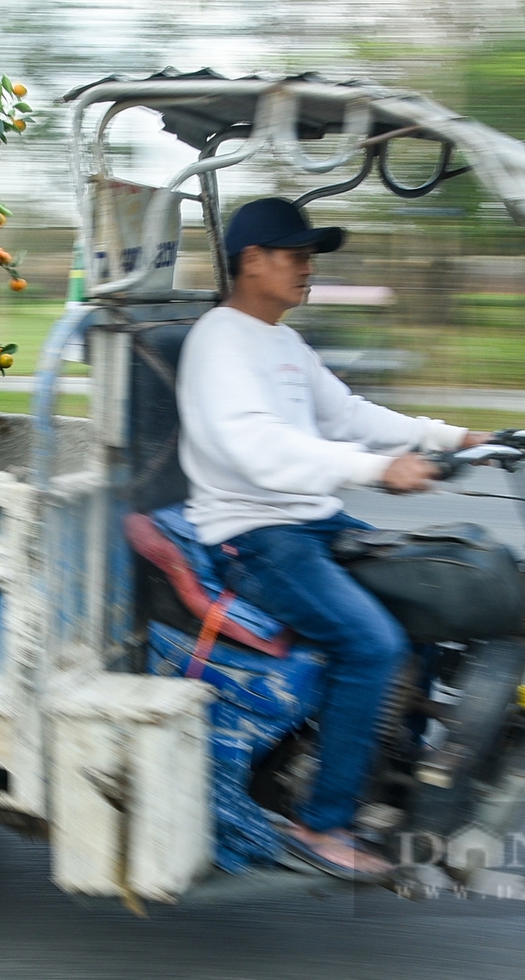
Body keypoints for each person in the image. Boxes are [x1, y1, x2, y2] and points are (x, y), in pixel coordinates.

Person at [176, 197, 486, 880]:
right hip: (255, 534)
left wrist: (451, 437)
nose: (308, 269)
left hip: (314, 520)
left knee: (430, 602)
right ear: (252, 261)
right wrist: (377, 469)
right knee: (370, 642)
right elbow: (259, 449)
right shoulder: (219, 340)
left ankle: (390, 775)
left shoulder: (282, 341)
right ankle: (324, 821)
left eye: (311, 257)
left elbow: (347, 413)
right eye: (297, 255)